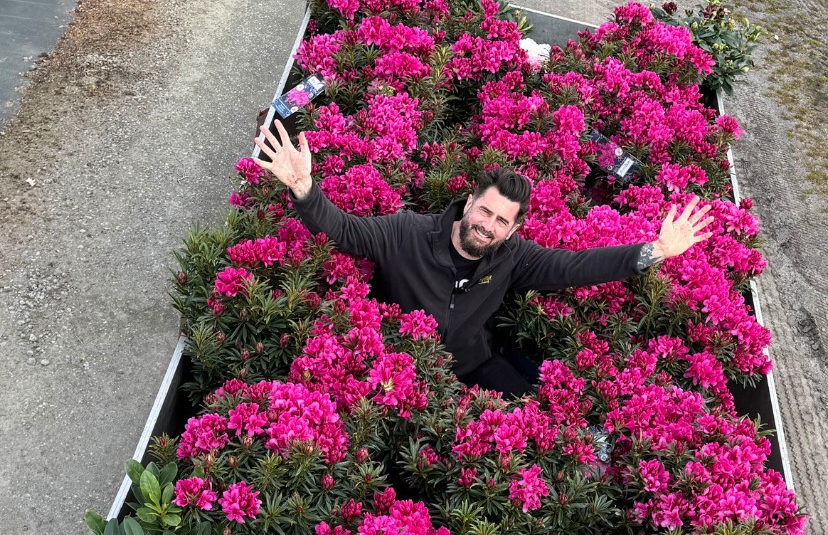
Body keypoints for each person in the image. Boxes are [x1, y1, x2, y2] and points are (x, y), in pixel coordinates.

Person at [253, 121, 713, 396]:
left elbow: (574, 267)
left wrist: (655, 251)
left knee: (532, 411)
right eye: (485, 212)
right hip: (406, 375)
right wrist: (304, 188)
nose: (488, 226)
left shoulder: (513, 256)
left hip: (474, 364)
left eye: (501, 222)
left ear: (512, 229)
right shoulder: (406, 233)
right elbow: (345, 230)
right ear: (469, 203)